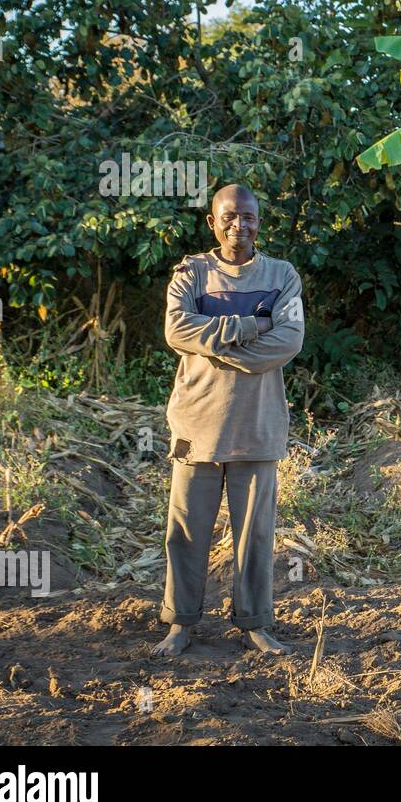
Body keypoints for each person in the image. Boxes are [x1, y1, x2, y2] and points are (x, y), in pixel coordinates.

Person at [151, 184, 305, 656]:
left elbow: (290, 340)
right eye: (231, 216)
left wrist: (214, 343)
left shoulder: (282, 275)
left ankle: (254, 623)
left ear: (260, 222)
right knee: (186, 530)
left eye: (250, 217)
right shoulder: (191, 273)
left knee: (255, 535)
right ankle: (180, 623)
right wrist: (248, 327)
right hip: (197, 426)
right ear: (213, 222)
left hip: (257, 428)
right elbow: (177, 329)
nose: (241, 225)